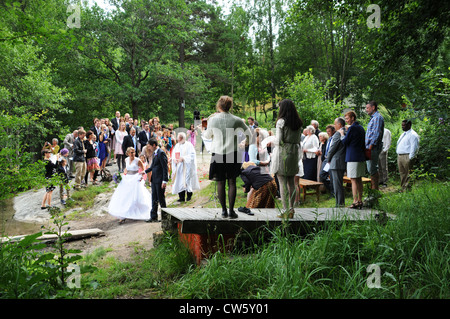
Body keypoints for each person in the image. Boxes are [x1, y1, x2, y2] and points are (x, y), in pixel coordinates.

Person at [202, 95, 251, 219]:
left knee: (220, 182)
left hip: (218, 153)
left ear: (219, 106)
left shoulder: (213, 120)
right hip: (232, 153)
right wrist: (244, 143)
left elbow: (207, 136)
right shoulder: (236, 120)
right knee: (232, 182)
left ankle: (223, 210)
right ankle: (231, 211)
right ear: (230, 106)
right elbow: (249, 133)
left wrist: (205, 128)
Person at [269, 98, 303, 218]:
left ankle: (285, 209)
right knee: (291, 181)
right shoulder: (298, 122)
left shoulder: (281, 122)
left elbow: (279, 140)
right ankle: (292, 209)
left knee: (282, 181)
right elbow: (299, 139)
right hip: (294, 151)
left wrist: (271, 140)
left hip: (283, 152)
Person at [108, 147, 152, 224]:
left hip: (135, 178)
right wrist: (121, 175)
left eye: (134, 152)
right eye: (131, 152)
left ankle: (136, 211)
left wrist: (141, 177)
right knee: (124, 196)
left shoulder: (138, 160)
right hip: (127, 178)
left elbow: (143, 169)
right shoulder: (126, 159)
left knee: (135, 196)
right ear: (128, 153)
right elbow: (126, 169)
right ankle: (123, 215)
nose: (133, 154)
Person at [340, 111, 366, 209]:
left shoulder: (352, 128)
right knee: (359, 179)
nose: (346, 120)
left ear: (352, 118)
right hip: (360, 156)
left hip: (352, 157)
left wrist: (342, 134)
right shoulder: (361, 128)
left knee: (353, 180)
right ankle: (360, 200)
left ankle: (355, 201)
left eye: (347, 118)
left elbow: (345, 142)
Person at [144, 138, 169, 222]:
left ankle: (165, 217)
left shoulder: (161, 153)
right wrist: (144, 172)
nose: (148, 148)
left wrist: (164, 181)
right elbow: (152, 167)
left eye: (149, 146)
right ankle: (153, 216)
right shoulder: (155, 153)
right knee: (154, 198)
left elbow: (165, 168)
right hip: (154, 180)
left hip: (160, 180)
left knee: (161, 198)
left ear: (154, 145)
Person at [171, 132, 200, 202]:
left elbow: (192, 155)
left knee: (186, 181)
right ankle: (181, 197)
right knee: (179, 181)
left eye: (179, 138)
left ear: (182, 138)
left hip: (186, 166)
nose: (177, 139)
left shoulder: (189, 145)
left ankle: (189, 195)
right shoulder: (177, 146)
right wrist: (174, 159)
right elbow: (174, 154)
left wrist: (183, 158)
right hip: (179, 166)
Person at [365, 101, 384, 190]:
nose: (366, 110)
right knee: (370, 169)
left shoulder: (377, 118)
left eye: (367, 108)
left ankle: (375, 191)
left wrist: (371, 146)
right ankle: (373, 190)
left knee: (372, 169)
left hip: (373, 148)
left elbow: (377, 133)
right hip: (369, 148)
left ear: (373, 108)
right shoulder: (373, 118)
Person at [327, 117, 347, 207]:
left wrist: (328, 159)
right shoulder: (346, 131)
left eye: (335, 124)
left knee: (337, 184)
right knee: (339, 183)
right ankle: (340, 202)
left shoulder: (338, 134)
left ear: (339, 125)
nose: (334, 126)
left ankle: (339, 204)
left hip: (336, 161)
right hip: (342, 160)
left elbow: (332, 148)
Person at [396, 119, 420, 191]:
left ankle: (407, 189)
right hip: (400, 156)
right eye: (402, 125)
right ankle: (403, 187)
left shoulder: (413, 135)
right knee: (402, 173)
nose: (402, 127)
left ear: (409, 125)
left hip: (407, 156)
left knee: (408, 173)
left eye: (404, 125)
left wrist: (410, 158)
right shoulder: (403, 134)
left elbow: (414, 147)